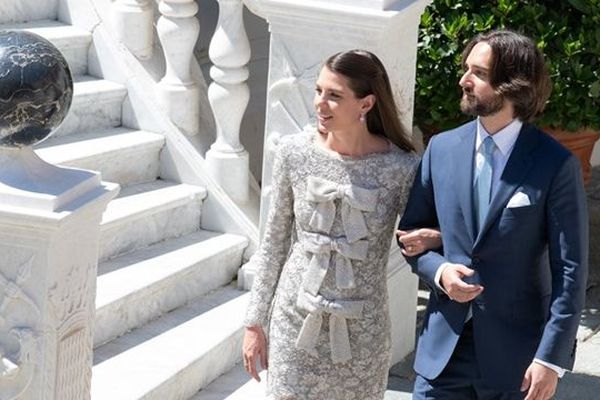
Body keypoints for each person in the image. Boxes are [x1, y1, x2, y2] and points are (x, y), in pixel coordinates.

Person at [398, 29, 588, 400]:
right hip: (443, 354)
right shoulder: (442, 148)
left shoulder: (555, 164)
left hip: (516, 363)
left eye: (478, 74)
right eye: (467, 69)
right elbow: (411, 235)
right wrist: (439, 270)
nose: (463, 81)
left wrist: (550, 359)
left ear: (512, 86)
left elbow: (571, 269)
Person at [242, 49, 441, 399]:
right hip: (294, 322)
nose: (320, 103)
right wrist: (254, 322)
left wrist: (436, 238)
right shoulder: (293, 153)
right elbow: (273, 243)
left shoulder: (401, 169)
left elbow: (421, 236)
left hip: (362, 333)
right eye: (319, 91)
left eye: (334, 95)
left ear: (366, 104)